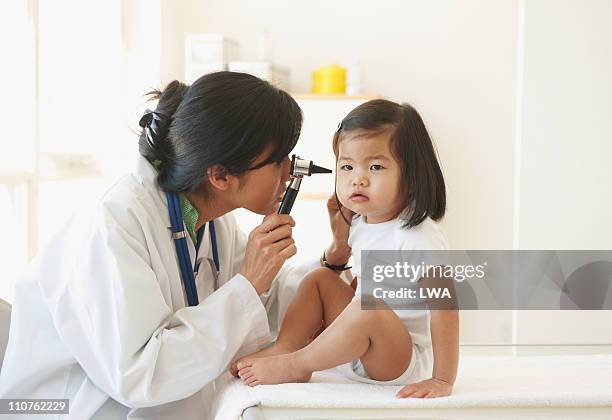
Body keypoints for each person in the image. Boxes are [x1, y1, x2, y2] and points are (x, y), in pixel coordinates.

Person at [0, 72, 349, 419]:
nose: (290, 171)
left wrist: (335, 255)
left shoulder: (211, 223)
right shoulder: (113, 225)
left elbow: (271, 304)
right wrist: (249, 284)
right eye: (279, 160)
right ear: (221, 176)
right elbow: (140, 374)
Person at [234, 99, 459, 399]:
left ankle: (296, 363)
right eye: (347, 166)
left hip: (399, 359)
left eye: (376, 166)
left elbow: (445, 307)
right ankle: (287, 345)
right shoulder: (361, 225)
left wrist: (442, 380)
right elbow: (361, 282)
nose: (358, 179)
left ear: (412, 176)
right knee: (319, 280)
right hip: (365, 340)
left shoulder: (418, 236)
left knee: (369, 307)